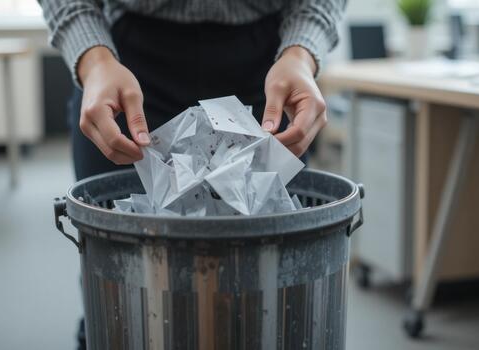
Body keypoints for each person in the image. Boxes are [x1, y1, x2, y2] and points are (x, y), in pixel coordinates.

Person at [38, 0, 346, 348]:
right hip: (123, 68)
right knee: (121, 300)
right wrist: (94, 62)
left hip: (270, 68)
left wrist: (301, 54)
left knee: (265, 300)